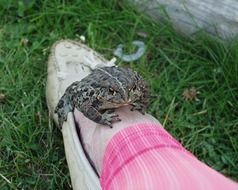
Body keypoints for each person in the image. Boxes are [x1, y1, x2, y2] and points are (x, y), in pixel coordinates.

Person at [46, 40, 238, 190]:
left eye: (130, 90)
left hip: (121, 82)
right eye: (115, 93)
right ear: (106, 91)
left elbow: (143, 88)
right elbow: (86, 105)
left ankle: (110, 151)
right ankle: (140, 139)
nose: (124, 96)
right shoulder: (93, 94)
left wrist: (141, 102)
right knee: (74, 90)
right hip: (97, 83)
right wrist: (102, 118)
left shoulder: (134, 87)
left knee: (118, 90)